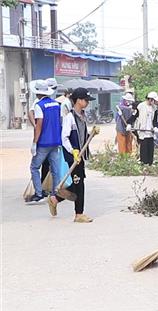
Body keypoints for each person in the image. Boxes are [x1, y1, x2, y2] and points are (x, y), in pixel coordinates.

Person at [48, 88, 96, 223]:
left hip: (80, 156)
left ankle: (54, 199)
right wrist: (73, 151)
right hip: (73, 156)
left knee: (77, 184)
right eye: (86, 100)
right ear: (78, 100)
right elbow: (64, 138)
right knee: (79, 184)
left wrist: (92, 133)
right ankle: (78, 214)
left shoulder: (83, 116)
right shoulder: (70, 117)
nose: (87, 102)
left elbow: (82, 136)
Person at [27, 80, 61, 204]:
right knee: (55, 169)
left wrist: (34, 143)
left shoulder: (39, 105)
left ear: (37, 93)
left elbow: (39, 126)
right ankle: (56, 193)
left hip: (44, 143)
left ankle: (39, 193)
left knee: (34, 167)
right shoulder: (57, 104)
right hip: (56, 141)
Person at [134, 92, 158, 165]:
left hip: (150, 131)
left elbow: (155, 120)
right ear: (150, 99)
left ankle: (150, 164)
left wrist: (155, 127)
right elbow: (135, 116)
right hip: (143, 131)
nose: (154, 102)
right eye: (153, 100)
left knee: (150, 149)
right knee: (144, 149)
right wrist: (129, 123)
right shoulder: (141, 106)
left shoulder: (154, 108)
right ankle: (144, 163)